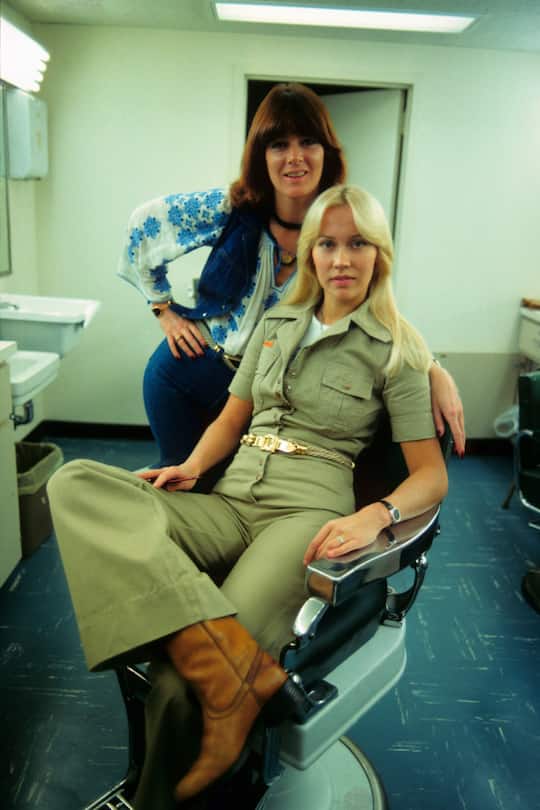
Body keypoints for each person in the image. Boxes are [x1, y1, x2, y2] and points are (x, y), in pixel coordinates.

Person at [49, 183, 448, 809]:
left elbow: (431, 476)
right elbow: (233, 418)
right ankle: (239, 665)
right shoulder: (277, 321)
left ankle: (177, 765)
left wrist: (376, 515)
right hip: (229, 499)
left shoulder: (399, 349)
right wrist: (190, 466)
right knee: (76, 484)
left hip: (305, 513)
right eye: (327, 245)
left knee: (179, 683)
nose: (341, 260)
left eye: (358, 245)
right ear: (310, 253)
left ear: (380, 254)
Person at [118, 83, 465, 470]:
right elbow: (144, 225)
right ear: (261, 155)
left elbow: (378, 303)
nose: (294, 158)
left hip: (264, 391)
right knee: (180, 478)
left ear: (326, 152)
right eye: (278, 144)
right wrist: (163, 309)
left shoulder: (338, 227)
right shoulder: (231, 207)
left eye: (308, 141)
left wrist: (432, 367)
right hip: (186, 373)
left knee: (235, 489)